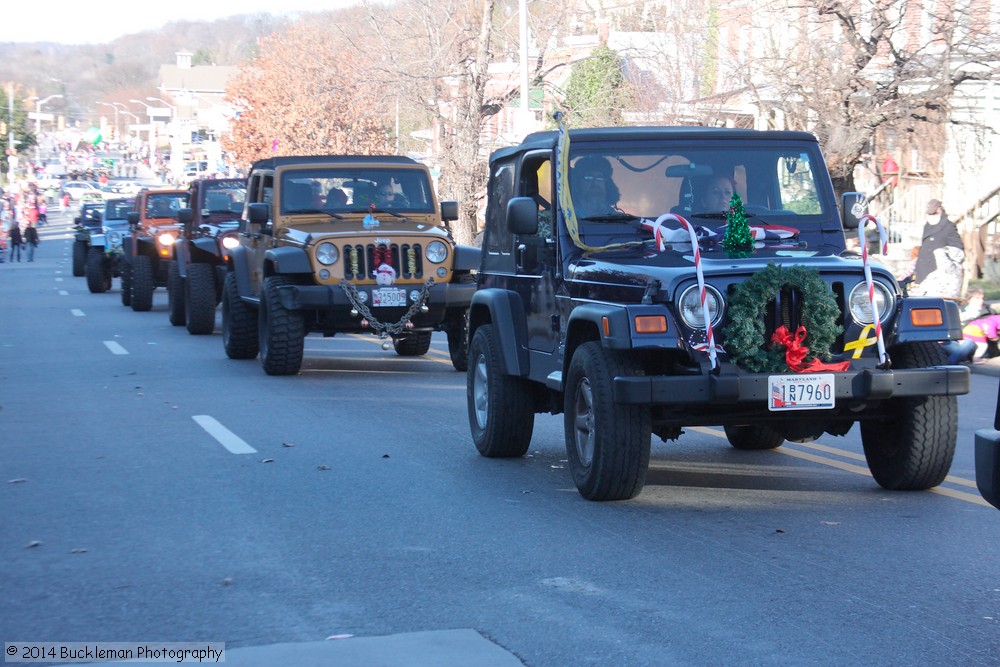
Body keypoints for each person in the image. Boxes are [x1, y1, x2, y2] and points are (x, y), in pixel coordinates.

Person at [909, 199, 964, 299]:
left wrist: (943, 256)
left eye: (933, 213)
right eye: (929, 214)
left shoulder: (948, 227)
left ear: (939, 210)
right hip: (923, 271)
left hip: (938, 275)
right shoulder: (927, 225)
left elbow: (958, 250)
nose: (930, 217)